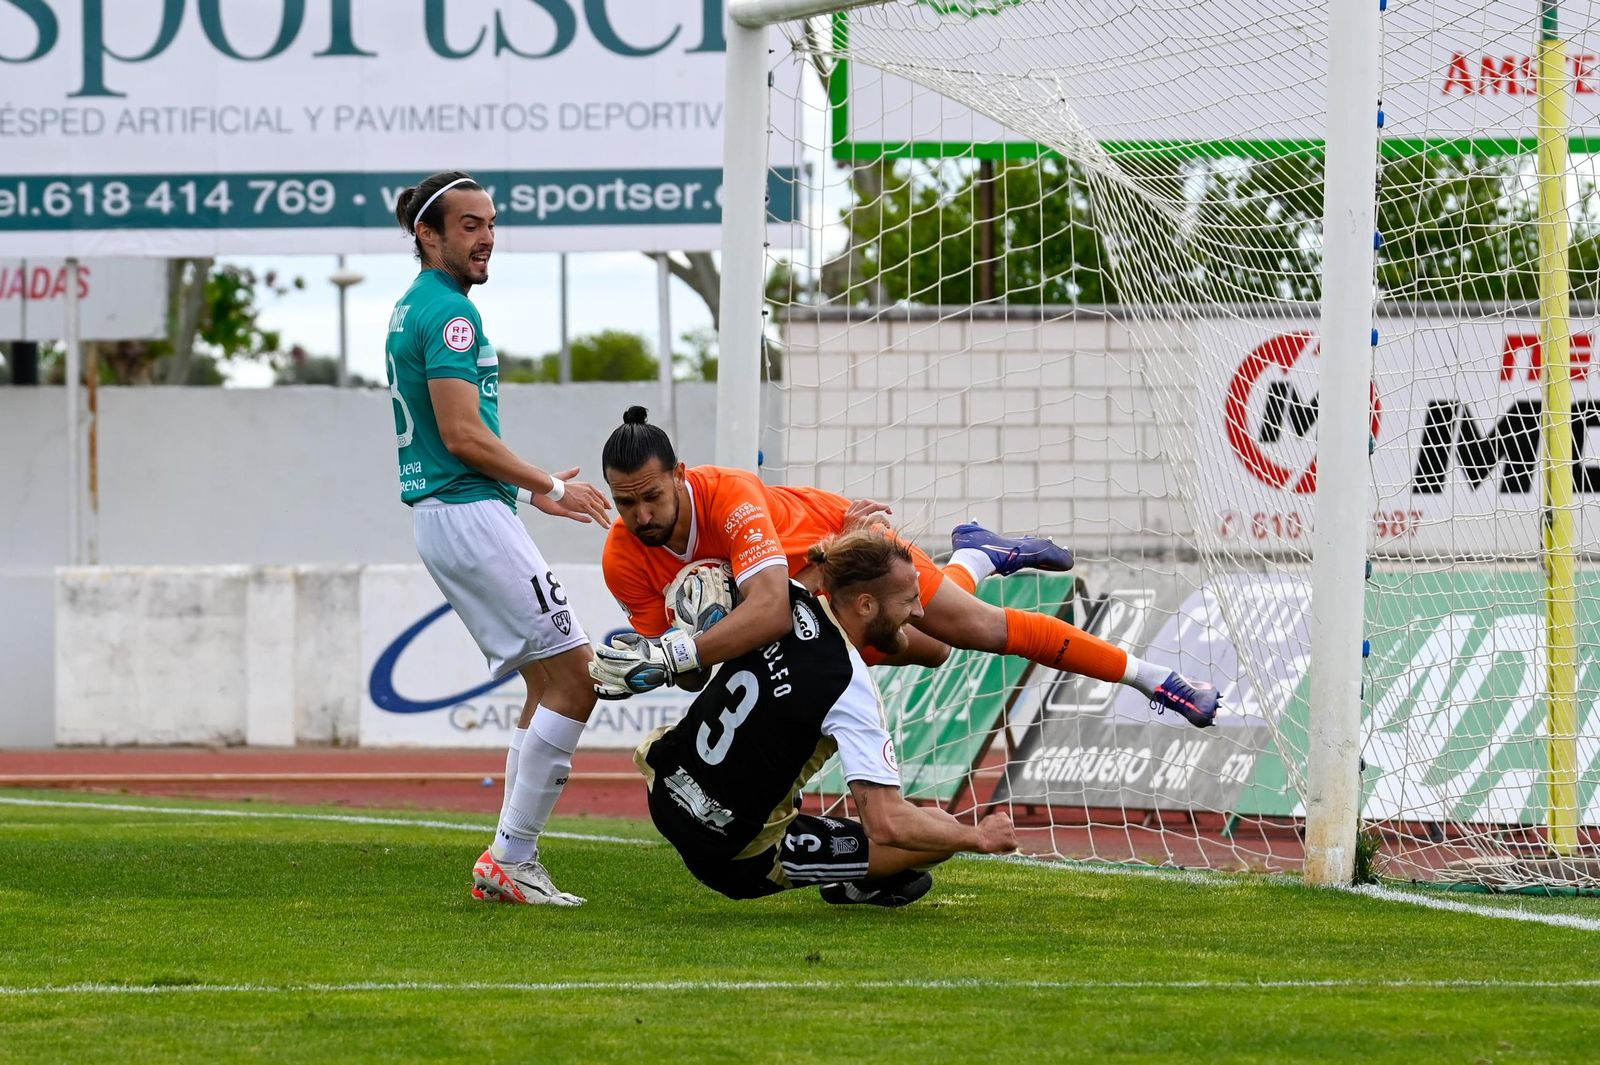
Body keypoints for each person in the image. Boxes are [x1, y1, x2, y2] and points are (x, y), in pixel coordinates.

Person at [590, 407, 1219, 728]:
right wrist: (655, 665)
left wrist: (677, 653)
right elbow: (697, 673)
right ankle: (978, 553)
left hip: (844, 551)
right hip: (796, 603)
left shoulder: (729, 494)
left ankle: (1154, 678)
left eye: (653, 496)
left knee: (977, 631)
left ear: (680, 475)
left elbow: (770, 609)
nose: (642, 514)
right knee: (929, 648)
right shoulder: (622, 556)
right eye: (626, 503)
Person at [385, 169, 613, 906]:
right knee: (577, 676)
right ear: (429, 234)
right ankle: (511, 857)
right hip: (467, 514)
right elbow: (459, 433)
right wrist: (548, 484)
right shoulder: (450, 315)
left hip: (456, 513)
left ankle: (508, 861)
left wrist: (523, 488)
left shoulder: (413, 307)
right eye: (470, 225)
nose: (487, 238)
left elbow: (455, 437)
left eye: (490, 223)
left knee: (548, 681)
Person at [636, 528, 1018, 905]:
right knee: (940, 831)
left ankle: (972, 560)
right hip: (729, 853)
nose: (919, 612)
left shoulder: (786, 597)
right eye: (909, 601)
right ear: (865, 605)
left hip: (664, 788)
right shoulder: (848, 684)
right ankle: (858, 883)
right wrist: (976, 837)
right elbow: (886, 823)